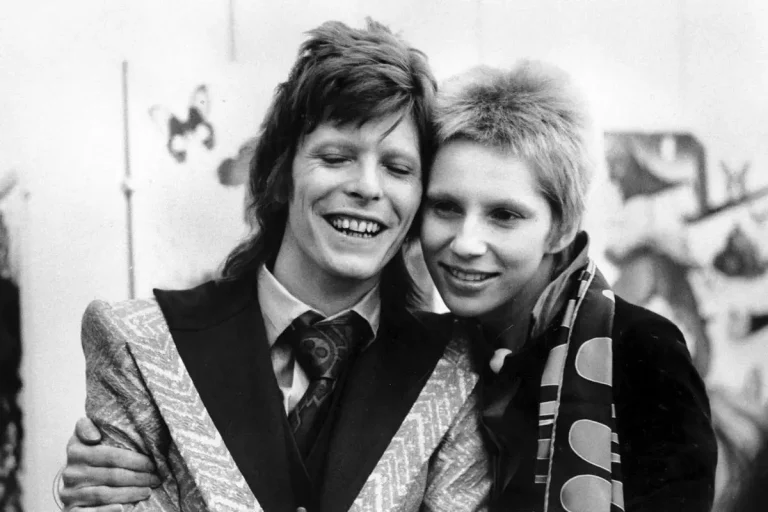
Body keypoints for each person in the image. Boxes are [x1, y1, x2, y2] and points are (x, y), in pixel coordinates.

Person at [62, 59, 718, 511]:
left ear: (561, 228)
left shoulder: (638, 350)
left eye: (506, 215)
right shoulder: (477, 346)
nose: (465, 242)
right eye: (445, 206)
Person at [57, 19, 490, 512]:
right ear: (281, 173)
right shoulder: (140, 343)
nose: (368, 187)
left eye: (397, 168)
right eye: (336, 156)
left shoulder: (455, 368)